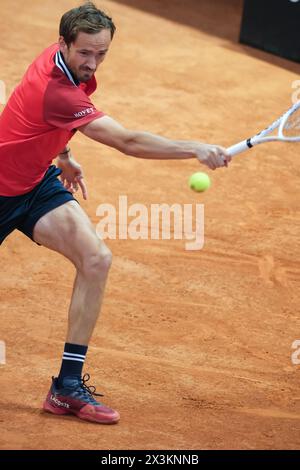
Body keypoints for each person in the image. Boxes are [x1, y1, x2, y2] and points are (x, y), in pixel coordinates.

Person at [0, 2, 231, 425]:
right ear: (64, 44)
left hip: (33, 183)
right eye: (85, 53)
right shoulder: (58, 90)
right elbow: (128, 141)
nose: (92, 63)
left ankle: (66, 388)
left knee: (96, 259)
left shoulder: (65, 68)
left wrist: (63, 153)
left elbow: (43, 122)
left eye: (101, 53)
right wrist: (195, 147)